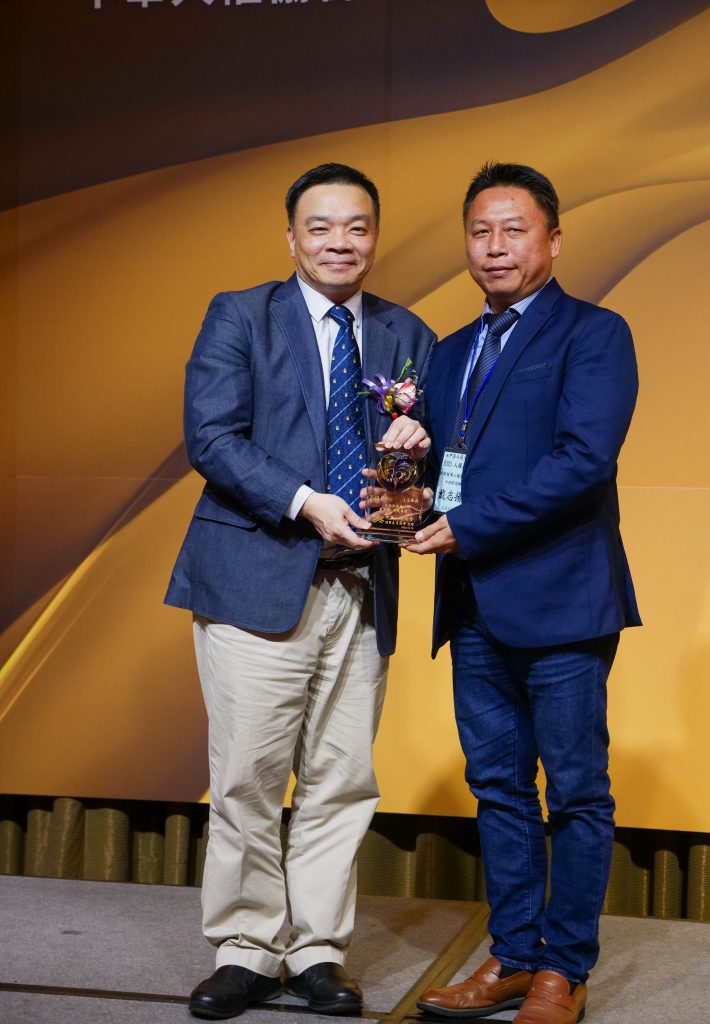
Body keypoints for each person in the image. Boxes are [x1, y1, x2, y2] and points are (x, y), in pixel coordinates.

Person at [165, 162, 435, 1020]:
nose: (339, 242)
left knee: (341, 779)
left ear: (375, 236)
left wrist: (421, 457)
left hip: (362, 588)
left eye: (356, 226)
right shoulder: (241, 315)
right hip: (257, 579)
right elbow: (212, 436)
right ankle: (246, 948)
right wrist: (304, 500)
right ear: (291, 237)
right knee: (247, 778)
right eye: (320, 227)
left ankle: (318, 950)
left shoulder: (406, 332)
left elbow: (423, 460)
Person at [407, 162, 640, 1024]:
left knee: (575, 790)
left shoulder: (595, 333)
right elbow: (445, 467)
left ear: (553, 238)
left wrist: (468, 526)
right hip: (473, 604)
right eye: (480, 231)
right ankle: (512, 955)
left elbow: (584, 461)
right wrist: (404, 486)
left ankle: (563, 970)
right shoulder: (450, 351)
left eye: (514, 229)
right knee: (499, 787)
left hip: (563, 602)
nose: (495, 247)